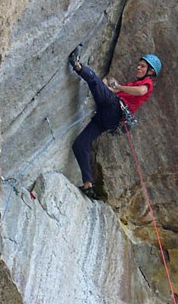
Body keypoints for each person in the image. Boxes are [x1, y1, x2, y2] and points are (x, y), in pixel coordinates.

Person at [69, 45, 161, 198]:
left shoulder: (147, 84)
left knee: (94, 81)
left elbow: (140, 92)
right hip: (108, 118)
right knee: (80, 144)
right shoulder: (132, 84)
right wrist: (107, 85)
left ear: (150, 72)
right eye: (139, 64)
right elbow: (111, 91)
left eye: (143, 66)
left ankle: (76, 64)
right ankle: (88, 185)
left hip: (115, 109)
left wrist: (117, 86)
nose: (138, 67)